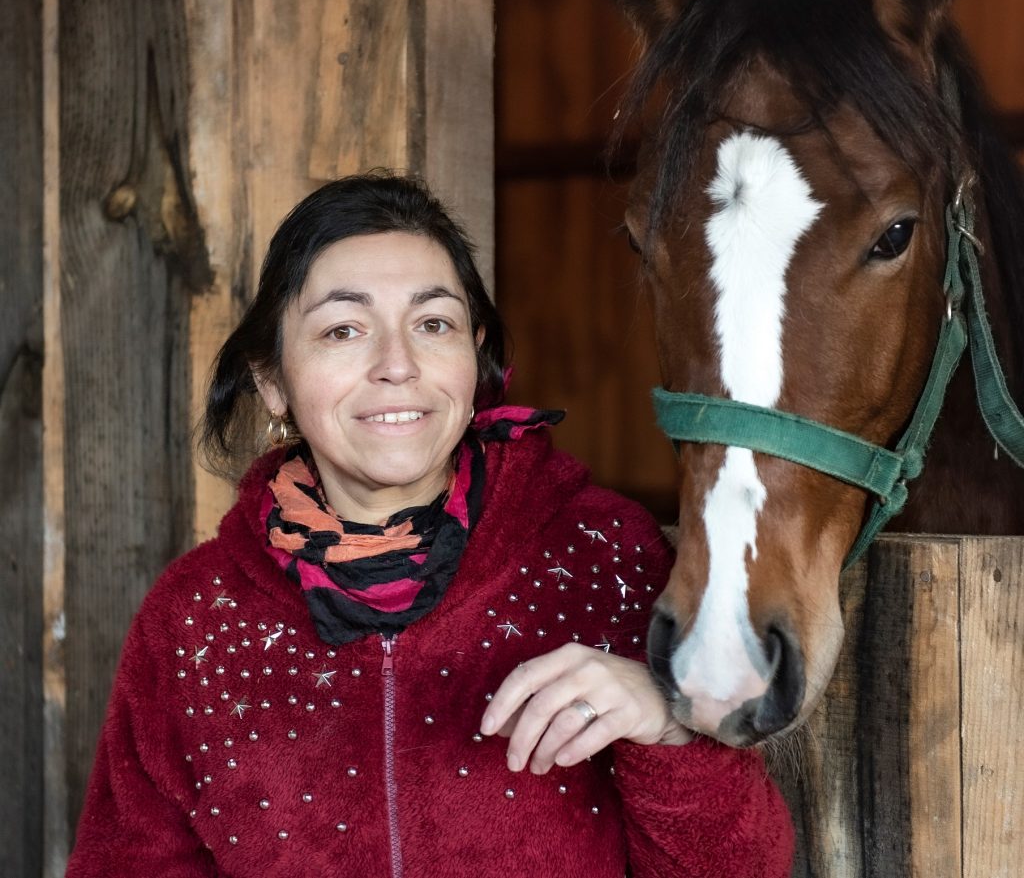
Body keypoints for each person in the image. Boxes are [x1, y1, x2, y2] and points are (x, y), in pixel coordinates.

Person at [66, 173, 794, 876]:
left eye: (433, 323)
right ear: (272, 379)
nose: (397, 364)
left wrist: (667, 727)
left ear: (474, 356)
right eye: (344, 329)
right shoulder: (196, 617)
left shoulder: (603, 556)